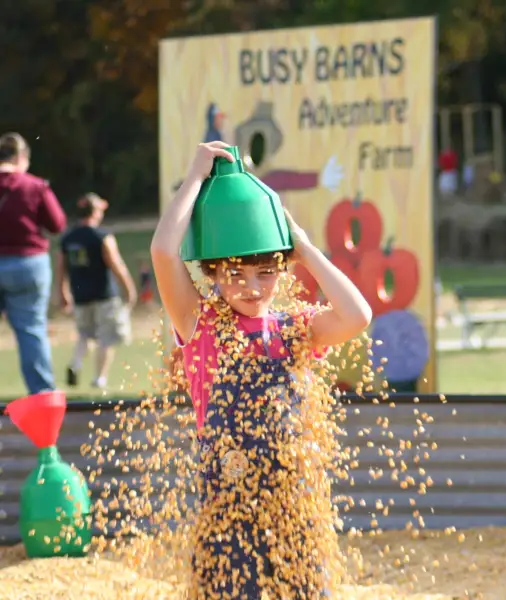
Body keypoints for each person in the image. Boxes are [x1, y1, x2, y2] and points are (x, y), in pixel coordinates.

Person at [150, 141, 372, 598]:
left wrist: (305, 249)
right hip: (228, 505)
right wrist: (195, 175)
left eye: (266, 272)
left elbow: (357, 315)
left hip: (296, 497)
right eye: (235, 273)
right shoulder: (200, 324)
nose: (253, 287)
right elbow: (163, 253)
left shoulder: (296, 327)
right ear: (212, 272)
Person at [0, 132, 67, 394]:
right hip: (28, 264)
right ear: (22, 157)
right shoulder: (34, 186)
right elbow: (57, 224)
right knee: (31, 331)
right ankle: (42, 400)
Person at [58, 193, 137, 389]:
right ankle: (99, 378)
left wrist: (63, 292)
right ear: (94, 212)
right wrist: (129, 288)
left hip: (80, 296)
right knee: (106, 336)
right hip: (104, 295)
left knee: (85, 334)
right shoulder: (101, 236)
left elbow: (61, 268)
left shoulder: (68, 238)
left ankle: (76, 363)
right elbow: (115, 264)